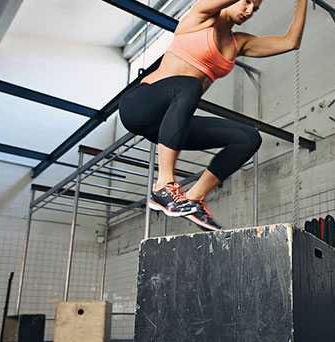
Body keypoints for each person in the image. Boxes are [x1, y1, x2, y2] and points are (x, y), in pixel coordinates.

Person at [118, 0, 307, 231]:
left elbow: (291, 42)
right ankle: (163, 185)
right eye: (247, 2)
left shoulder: (238, 43)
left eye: (255, 9)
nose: (249, 11)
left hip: (167, 124)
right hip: (139, 105)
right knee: (190, 86)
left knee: (248, 138)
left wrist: (302, 2)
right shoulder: (202, 14)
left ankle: (194, 198)